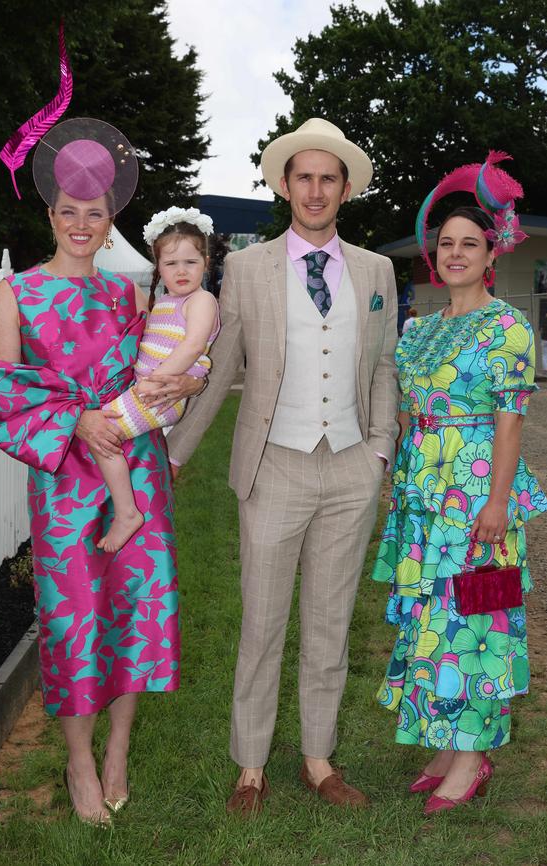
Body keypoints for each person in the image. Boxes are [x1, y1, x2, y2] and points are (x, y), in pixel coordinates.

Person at [167, 118, 399, 814]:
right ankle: (250, 767)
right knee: (262, 623)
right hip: (273, 468)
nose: (317, 189)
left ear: (345, 188)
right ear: (286, 186)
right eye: (305, 177)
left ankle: (319, 760)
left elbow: (384, 365)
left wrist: (381, 448)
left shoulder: (377, 270)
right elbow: (220, 366)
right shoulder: (246, 267)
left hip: (352, 465)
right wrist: (174, 452)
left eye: (329, 178)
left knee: (329, 624)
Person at [0, 118, 203, 825]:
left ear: (112, 220)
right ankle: (80, 761)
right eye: (69, 213)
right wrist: (75, 419)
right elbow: (3, 397)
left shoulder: (126, 295)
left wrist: (189, 385)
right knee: (75, 619)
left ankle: (117, 747)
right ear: (50, 214)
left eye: (96, 214)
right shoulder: (14, 295)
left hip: (135, 474)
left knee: (137, 610)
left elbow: (162, 364)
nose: (82, 225)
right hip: (66, 486)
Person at [372, 153, 547, 815]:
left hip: (476, 497)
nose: (454, 253)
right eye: (445, 243)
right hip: (422, 500)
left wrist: (498, 503)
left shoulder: (508, 327)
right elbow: (408, 411)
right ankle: (447, 742)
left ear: (491, 251)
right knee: (430, 617)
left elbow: (510, 422)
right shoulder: (418, 330)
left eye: (467, 244)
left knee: (476, 619)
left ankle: (472, 757)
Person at [94, 207, 220, 552]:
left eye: (191, 262)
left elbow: (193, 345)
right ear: (159, 266)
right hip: (148, 389)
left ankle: (126, 513)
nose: (181, 271)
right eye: (171, 263)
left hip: (162, 392)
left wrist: (157, 379)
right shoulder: (164, 301)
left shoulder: (202, 300)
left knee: (101, 434)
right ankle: (122, 507)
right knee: (105, 437)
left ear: (205, 262)